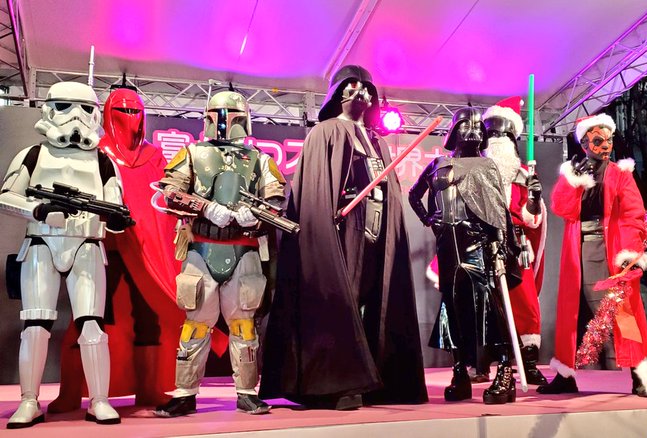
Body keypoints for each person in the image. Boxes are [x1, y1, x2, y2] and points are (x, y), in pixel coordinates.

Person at [259, 65, 428, 410]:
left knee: (376, 299)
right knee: (340, 300)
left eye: (366, 88)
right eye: (351, 86)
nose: (360, 92)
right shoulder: (325, 132)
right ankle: (337, 382)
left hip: (378, 227)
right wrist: (326, 222)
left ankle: (376, 378)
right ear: (337, 94)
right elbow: (317, 190)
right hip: (344, 227)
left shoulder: (377, 141)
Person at [0, 81, 130, 427]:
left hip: (86, 245)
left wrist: (114, 220)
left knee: (92, 324)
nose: (75, 116)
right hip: (42, 242)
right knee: (35, 325)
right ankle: (29, 400)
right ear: (49, 108)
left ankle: (99, 400)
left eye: (85, 109)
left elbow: (115, 205)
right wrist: (39, 210)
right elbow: (6, 196)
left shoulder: (103, 161)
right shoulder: (33, 154)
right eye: (64, 107)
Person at [47, 87, 183, 413]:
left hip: (144, 249)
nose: (130, 119)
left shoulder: (154, 156)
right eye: (123, 111)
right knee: (89, 315)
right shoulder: (96, 150)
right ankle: (72, 391)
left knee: (149, 316)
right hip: (103, 245)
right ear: (107, 113)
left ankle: (149, 390)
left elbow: (161, 202)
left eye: (136, 111)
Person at [153, 90, 286, 417]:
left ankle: (246, 392)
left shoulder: (260, 159)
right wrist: (205, 207)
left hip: (244, 248)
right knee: (196, 325)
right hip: (202, 247)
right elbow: (170, 191)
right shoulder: (192, 153)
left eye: (232, 115)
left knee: (244, 326)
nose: (225, 122)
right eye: (218, 114)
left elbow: (276, 200)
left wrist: (255, 215)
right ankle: (185, 393)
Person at [537, 113, 647, 397]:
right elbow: (562, 208)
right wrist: (573, 181)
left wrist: (630, 251)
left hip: (612, 250)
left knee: (623, 312)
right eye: (598, 140)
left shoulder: (620, 174)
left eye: (609, 140)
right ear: (584, 143)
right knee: (573, 314)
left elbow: (633, 214)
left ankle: (639, 374)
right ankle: (565, 375)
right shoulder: (574, 173)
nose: (605, 146)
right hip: (578, 251)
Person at [408, 106, 521, 405]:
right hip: (447, 243)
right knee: (452, 306)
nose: (472, 131)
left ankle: (504, 371)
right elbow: (414, 194)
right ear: (453, 131)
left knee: (489, 306)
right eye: (465, 126)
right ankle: (459, 371)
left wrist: (500, 244)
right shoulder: (438, 164)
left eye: (476, 127)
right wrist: (428, 219)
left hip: (477, 243)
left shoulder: (487, 166)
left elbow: (496, 209)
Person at [481, 97, 548, 385]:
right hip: (483, 244)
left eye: (503, 134)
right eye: (492, 133)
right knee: (485, 304)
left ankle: (528, 363)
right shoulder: (475, 170)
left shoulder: (523, 175)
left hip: (517, 246)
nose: (497, 139)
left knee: (525, 303)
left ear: (513, 138)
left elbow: (532, 219)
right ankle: (484, 362)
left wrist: (534, 198)